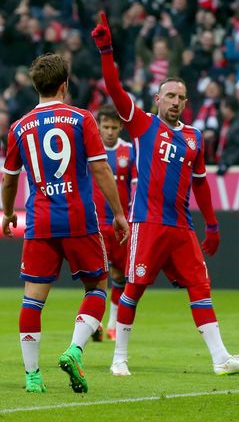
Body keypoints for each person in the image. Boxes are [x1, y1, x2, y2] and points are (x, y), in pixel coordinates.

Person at [92, 13, 239, 377]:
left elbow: (201, 183)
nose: (176, 101)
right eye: (170, 95)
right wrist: (106, 51)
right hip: (148, 223)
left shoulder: (194, 137)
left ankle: (220, 358)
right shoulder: (142, 124)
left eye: (181, 97)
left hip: (182, 227)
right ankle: (119, 358)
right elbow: (115, 89)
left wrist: (212, 225)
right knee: (134, 288)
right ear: (157, 98)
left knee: (200, 287)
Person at [1, 53, 130, 393]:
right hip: (79, 220)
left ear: (35, 86)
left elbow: (9, 179)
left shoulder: (19, 127)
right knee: (97, 288)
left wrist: (9, 212)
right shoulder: (81, 118)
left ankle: (32, 376)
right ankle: (74, 350)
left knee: (32, 300)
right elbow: (100, 168)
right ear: (64, 85)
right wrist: (118, 213)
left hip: (40, 221)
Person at [91, 104, 137, 341]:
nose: (109, 131)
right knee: (96, 274)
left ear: (120, 127)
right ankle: (95, 322)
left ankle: (112, 323)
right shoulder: (90, 150)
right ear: (98, 127)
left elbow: (136, 187)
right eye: (105, 127)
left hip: (120, 224)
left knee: (119, 275)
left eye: (113, 127)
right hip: (95, 222)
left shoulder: (129, 151)